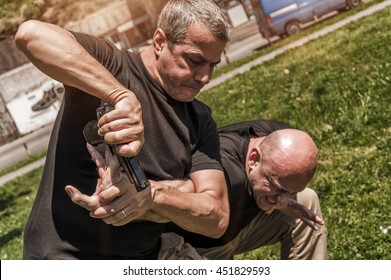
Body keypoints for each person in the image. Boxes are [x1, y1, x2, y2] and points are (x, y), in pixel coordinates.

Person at [15, 0, 230, 259]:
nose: (205, 76)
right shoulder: (113, 66)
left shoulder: (199, 119)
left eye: (212, 65)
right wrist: (118, 95)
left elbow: (216, 217)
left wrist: (151, 195)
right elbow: (30, 35)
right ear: (160, 41)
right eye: (195, 60)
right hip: (63, 257)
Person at [166, 120, 328, 259]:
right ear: (254, 159)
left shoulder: (273, 134)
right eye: (278, 188)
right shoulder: (224, 173)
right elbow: (164, 195)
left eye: (290, 191)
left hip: (235, 231)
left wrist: (282, 199)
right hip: (196, 246)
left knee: (307, 202)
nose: (284, 200)